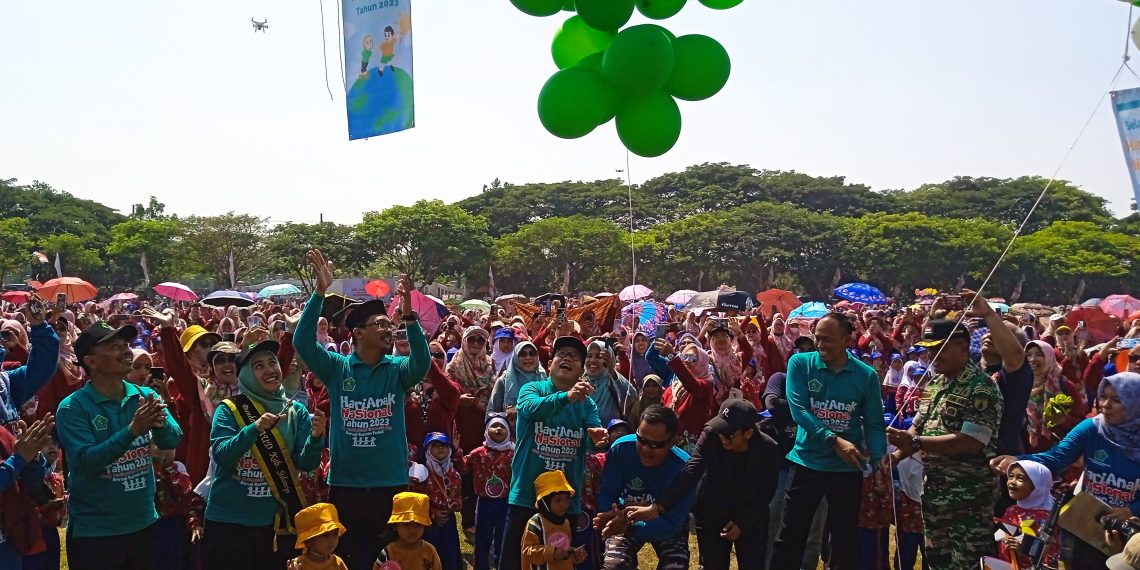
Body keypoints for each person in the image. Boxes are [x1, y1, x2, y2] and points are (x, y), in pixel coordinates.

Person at [293, 249, 430, 570]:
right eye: (380, 324)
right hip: (347, 486)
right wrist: (318, 293)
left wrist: (409, 318)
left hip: (390, 485)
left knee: (390, 564)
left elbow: (422, 364)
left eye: (389, 324)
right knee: (350, 560)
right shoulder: (337, 369)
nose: (388, 329)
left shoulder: (396, 370)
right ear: (357, 333)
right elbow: (302, 343)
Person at [56, 321, 183, 570]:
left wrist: (159, 425)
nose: (126, 351)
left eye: (126, 345)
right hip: (96, 533)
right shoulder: (73, 408)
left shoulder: (145, 395)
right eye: (114, 346)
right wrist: (132, 430)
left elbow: (172, 439)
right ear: (91, 361)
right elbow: (87, 461)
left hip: (144, 524)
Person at [884, 318, 1004, 570]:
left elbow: (972, 441)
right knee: (937, 562)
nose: (931, 355)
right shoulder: (936, 383)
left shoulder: (981, 388)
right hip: (934, 494)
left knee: (969, 564)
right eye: (928, 349)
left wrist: (915, 441)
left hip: (969, 499)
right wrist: (894, 457)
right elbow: (918, 425)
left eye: (939, 348)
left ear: (962, 347)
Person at [770, 313, 886, 570]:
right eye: (817, 338)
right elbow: (799, 411)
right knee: (790, 536)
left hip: (846, 470)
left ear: (847, 340)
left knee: (845, 540)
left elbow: (875, 424)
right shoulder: (800, 364)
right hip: (806, 463)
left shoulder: (865, 375)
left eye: (827, 340)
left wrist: (878, 462)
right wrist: (834, 440)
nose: (820, 344)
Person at [202, 339, 328, 569]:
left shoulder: (295, 410)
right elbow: (221, 455)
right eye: (258, 366)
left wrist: (316, 439)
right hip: (228, 523)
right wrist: (254, 429)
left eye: (272, 362)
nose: (270, 369)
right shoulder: (229, 409)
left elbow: (305, 463)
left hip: (275, 525)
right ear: (246, 375)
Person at [992, 372, 1140, 567]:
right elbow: (1057, 457)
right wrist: (1018, 460)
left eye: (1116, 399)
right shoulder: (1092, 428)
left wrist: (1131, 510)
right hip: (1087, 524)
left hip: (1132, 533)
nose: (1105, 405)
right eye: (1103, 396)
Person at [629, 399, 781, 569]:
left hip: (751, 515)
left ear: (748, 433)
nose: (722, 436)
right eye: (721, 429)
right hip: (712, 510)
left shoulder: (768, 449)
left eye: (729, 434)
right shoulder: (711, 434)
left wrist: (742, 521)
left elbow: (766, 492)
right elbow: (690, 473)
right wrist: (657, 508)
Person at [499, 336, 605, 570]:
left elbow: (593, 432)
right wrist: (566, 397)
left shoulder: (587, 404)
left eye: (575, 357)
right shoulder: (532, 389)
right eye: (562, 354)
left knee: (559, 564)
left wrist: (597, 437)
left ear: (582, 370)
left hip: (565, 505)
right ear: (550, 364)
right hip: (527, 498)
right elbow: (529, 408)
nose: (567, 358)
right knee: (516, 563)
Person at [592, 405, 693, 569]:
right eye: (642, 440)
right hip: (624, 517)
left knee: (675, 565)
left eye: (656, 445)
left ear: (672, 442)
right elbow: (607, 492)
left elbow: (673, 524)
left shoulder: (685, 467)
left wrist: (629, 526)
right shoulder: (621, 449)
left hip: (663, 523)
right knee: (614, 565)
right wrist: (610, 514)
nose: (646, 449)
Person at [465, 414, 514, 570]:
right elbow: (463, 467)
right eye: (494, 426)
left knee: (502, 538)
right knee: (482, 538)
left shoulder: (513, 453)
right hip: (484, 502)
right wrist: (456, 448)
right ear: (486, 430)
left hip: (505, 503)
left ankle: (502, 565)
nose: (498, 429)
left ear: (509, 432)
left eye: (502, 427)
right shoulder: (478, 453)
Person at [410, 432, 463, 570]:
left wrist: (455, 504)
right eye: (436, 446)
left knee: (449, 552)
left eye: (444, 446)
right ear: (428, 451)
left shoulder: (454, 475)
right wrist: (433, 513)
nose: (441, 449)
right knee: (430, 553)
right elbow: (417, 500)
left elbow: (458, 497)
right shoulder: (422, 474)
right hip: (428, 523)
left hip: (448, 520)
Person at [994, 460, 1058, 568]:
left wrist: (1023, 548)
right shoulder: (1012, 510)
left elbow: (1050, 555)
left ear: (1037, 485)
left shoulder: (1046, 519)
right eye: (1010, 476)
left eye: (1020, 478)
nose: (1012, 482)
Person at [524, 470, 589, 570]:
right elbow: (527, 552)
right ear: (544, 501)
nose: (564, 505)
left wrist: (574, 556)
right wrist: (552, 552)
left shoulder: (566, 522)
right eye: (558, 500)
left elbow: (566, 548)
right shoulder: (536, 523)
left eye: (567, 499)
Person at [374, 492, 442, 570]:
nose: (412, 530)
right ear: (395, 525)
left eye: (418, 525)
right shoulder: (388, 552)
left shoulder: (429, 551)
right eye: (405, 524)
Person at [583, 340, 637, 426]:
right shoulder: (580, 381)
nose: (592, 360)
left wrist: (611, 370)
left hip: (609, 436)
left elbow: (631, 396)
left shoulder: (612, 380)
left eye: (599, 357)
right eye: (589, 356)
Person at [289, 503, 349, 570]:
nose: (332, 540)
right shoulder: (298, 564)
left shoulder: (337, 562)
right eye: (325, 535)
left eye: (335, 534)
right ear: (308, 541)